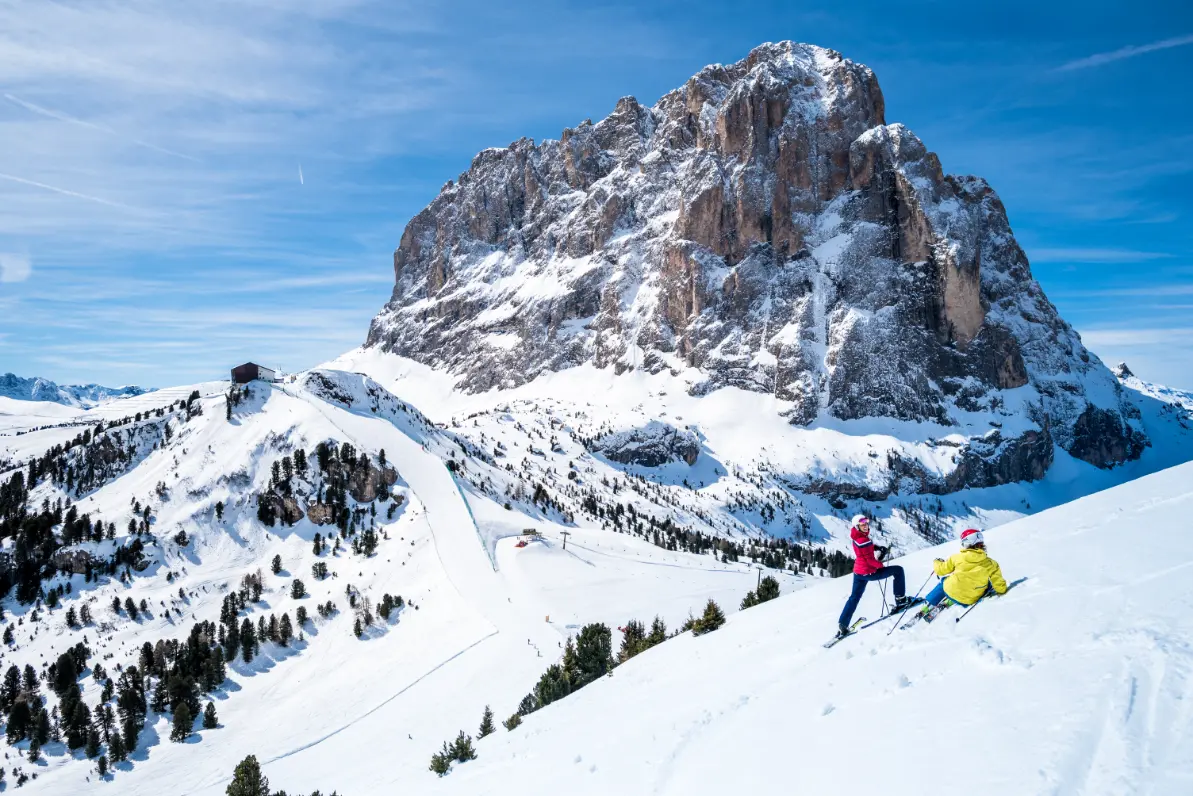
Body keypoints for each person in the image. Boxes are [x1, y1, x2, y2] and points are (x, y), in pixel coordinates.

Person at [837, 514, 910, 637]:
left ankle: (843, 623)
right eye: (862, 524)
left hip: (858, 572)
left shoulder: (857, 537)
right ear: (857, 526)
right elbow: (869, 560)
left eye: (866, 523)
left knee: (854, 597)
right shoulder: (864, 540)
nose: (866, 526)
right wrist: (880, 565)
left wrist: (877, 547)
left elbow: (866, 549)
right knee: (898, 570)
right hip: (869, 572)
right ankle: (901, 600)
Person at [918, 528, 1007, 617]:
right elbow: (1000, 588)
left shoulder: (956, 558)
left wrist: (937, 562)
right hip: (970, 598)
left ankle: (927, 605)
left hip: (951, 591)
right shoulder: (991, 564)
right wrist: (1000, 589)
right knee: (987, 584)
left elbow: (941, 570)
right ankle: (950, 601)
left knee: (945, 582)